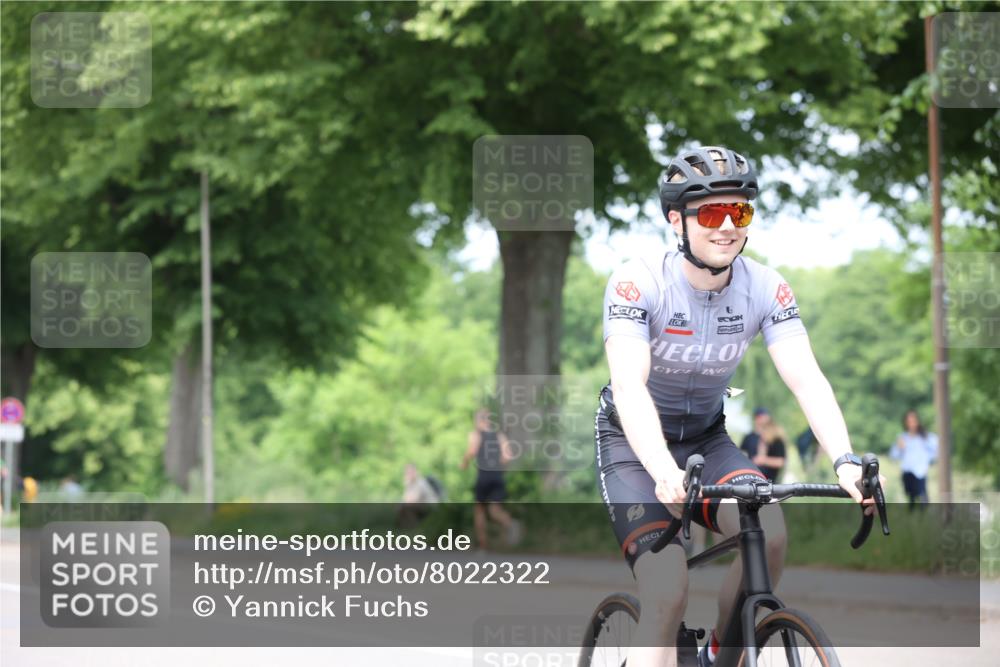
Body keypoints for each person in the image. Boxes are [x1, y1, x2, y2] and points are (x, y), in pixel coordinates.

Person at [595, 145, 883, 667]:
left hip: (706, 441)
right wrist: (661, 469)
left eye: (739, 211)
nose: (727, 226)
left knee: (769, 535)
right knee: (667, 591)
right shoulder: (638, 282)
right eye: (711, 213)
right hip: (633, 448)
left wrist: (844, 459)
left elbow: (807, 380)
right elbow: (630, 385)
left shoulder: (766, 288)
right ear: (676, 220)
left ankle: (719, 655)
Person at [460, 408, 522, 549]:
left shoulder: (476, 434)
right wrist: (498, 467)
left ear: (478, 421)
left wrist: (464, 463)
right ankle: (510, 523)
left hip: (484, 476)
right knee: (494, 511)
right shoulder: (499, 436)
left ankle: (482, 546)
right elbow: (507, 456)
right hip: (497, 476)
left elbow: (472, 450)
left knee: (479, 510)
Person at [889, 409, 938, 510]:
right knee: (910, 497)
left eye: (913, 421)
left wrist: (927, 461)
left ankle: (924, 514)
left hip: (920, 471)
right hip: (907, 471)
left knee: (922, 496)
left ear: (918, 421)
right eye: (909, 421)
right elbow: (894, 455)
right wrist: (899, 447)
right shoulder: (902, 437)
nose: (911, 424)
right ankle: (913, 515)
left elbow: (936, 450)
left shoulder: (926, 437)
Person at [397, 463, 441, 529]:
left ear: (415, 472)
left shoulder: (420, 482)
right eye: (407, 473)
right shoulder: (412, 483)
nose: (408, 474)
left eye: (410, 472)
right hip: (422, 509)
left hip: (429, 509)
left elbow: (411, 500)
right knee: (401, 508)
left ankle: (416, 530)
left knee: (405, 508)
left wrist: (407, 485)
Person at [752, 418, 787, 483]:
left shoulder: (777, 442)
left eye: (763, 430)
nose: (761, 433)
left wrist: (763, 460)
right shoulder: (766, 442)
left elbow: (780, 462)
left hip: (770, 479)